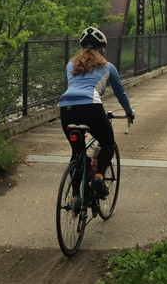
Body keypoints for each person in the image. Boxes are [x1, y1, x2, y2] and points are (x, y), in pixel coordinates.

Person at [58, 27, 135, 199]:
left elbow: (71, 87)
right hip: (91, 107)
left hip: (66, 108)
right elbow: (120, 94)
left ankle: (77, 196)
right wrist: (129, 112)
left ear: (82, 48)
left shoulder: (70, 65)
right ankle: (99, 178)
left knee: (76, 152)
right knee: (107, 144)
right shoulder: (108, 67)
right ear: (102, 49)